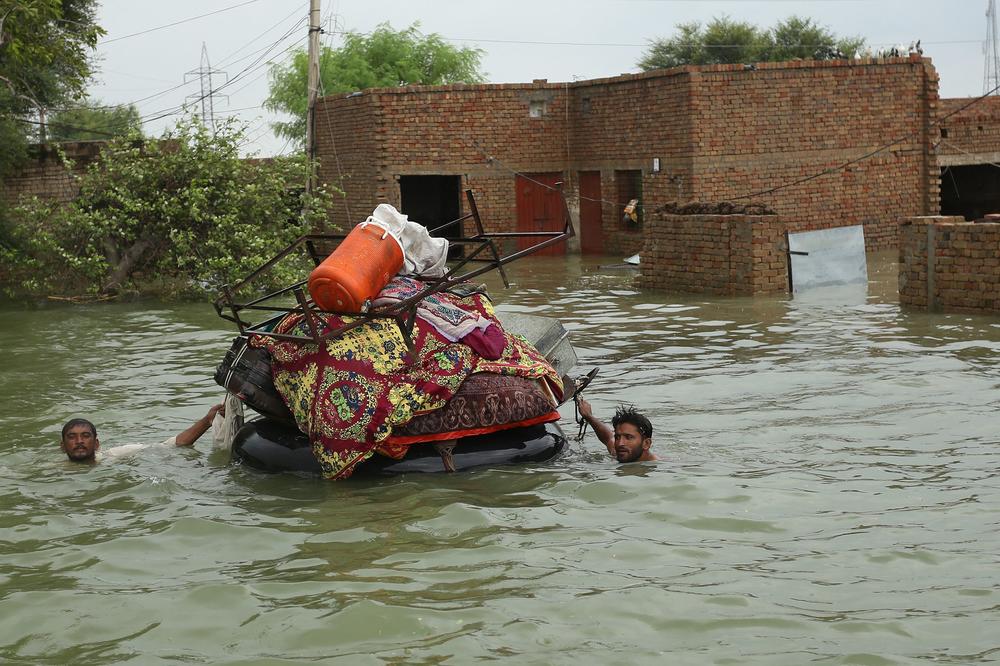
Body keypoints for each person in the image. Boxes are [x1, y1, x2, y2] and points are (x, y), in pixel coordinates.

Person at [60, 404, 224, 463]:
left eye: (85, 436)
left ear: (96, 444)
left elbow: (171, 445)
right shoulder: (54, 471)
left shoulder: (115, 455)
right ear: (63, 446)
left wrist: (207, 420)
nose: (79, 441)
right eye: (72, 437)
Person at [577, 399, 657, 463]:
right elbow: (608, 438)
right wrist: (589, 416)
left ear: (646, 443)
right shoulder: (622, 452)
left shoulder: (659, 467)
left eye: (629, 437)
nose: (620, 443)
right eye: (617, 437)